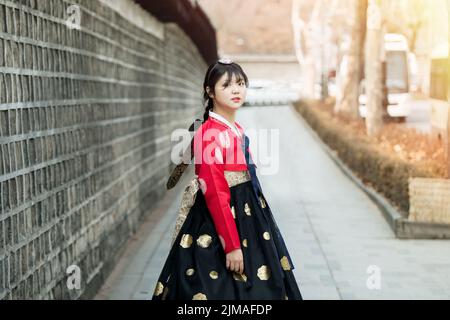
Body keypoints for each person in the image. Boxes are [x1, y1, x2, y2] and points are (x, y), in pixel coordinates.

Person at [152, 58, 302, 300]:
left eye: (241, 83)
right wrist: (231, 246)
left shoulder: (236, 129)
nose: (236, 90)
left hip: (249, 217)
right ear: (210, 91)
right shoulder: (209, 134)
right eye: (227, 85)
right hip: (220, 222)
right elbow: (215, 192)